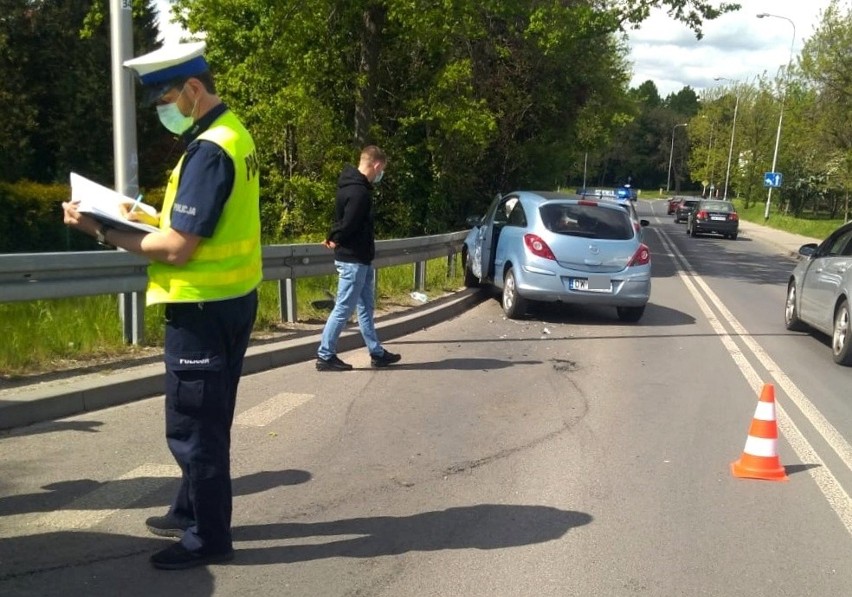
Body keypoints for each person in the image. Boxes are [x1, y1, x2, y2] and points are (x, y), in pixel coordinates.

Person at [61, 41, 261, 570]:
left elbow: (178, 248)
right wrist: (140, 214)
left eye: (165, 100)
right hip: (230, 301)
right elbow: (196, 224)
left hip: (201, 309)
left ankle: (208, 538)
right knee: (210, 417)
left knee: (195, 428)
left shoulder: (210, 150)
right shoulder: (231, 133)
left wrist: (101, 228)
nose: (162, 113)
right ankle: (189, 507)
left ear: (194, 90)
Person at [316, 146, 401, 371]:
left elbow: (343, 222)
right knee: (344, 308)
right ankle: (325, 355)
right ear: (376, 165)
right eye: (382, 169)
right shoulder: (359, 192)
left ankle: (377, 352)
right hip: (353, 260)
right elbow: (349, 224)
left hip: (360, 259)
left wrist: (334, 236)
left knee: (365, 308)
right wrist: (335, 237)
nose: (381, 174)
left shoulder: (350, 187)